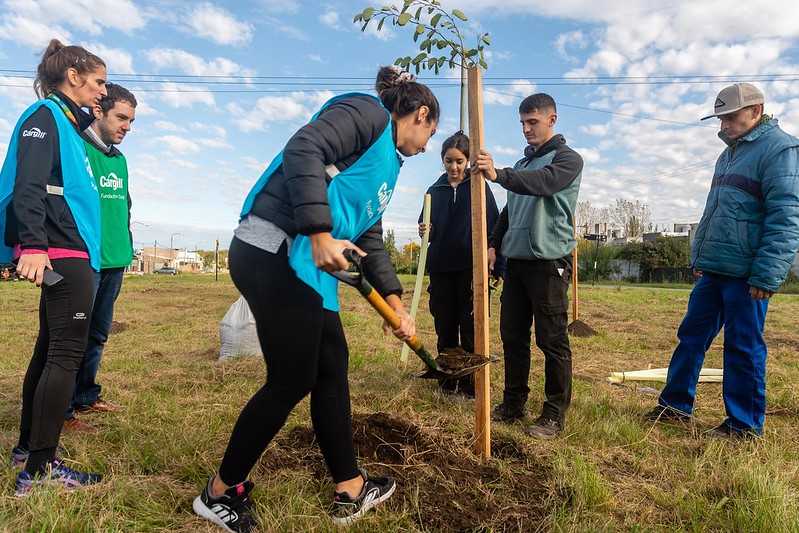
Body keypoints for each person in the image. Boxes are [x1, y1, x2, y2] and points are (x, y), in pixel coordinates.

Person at [192, 66, 439, 532]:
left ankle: (350, 486)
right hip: (278, 250)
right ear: (421, 114)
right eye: (430, 133)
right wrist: (320, 232)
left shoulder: (388, 164)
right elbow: (303, 148)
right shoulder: (368, 114)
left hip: (308, 267)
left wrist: (394, 300)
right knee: (291, 379)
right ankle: (219, 492)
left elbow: (369, 233)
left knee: (330, 368)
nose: (428, 146)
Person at [643, 83, 799, 439]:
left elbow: (786, 218)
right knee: (691, 336)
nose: (723, 124)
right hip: (715, 269)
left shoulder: (780, 150)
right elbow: (715, 210)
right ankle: (674, 406)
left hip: (747, 275)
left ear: (756, 111)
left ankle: (743, 426)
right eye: (720, 117)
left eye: (730, 116)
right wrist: (701, 253)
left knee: (743, 346)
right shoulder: (727, 154)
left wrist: (767, 275)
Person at [0, 39, 107, 493]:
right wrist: (34, 246)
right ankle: (40, 470)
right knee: (65, 355)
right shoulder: (45, 117)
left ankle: (27, 449)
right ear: (74, 76)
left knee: (49, 352)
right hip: (62, 252)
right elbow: (28, 184)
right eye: (99, 81)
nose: (103, 91)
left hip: (70, 249)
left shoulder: (68, 123)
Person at [472, 93, 583, 440]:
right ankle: (514, 402)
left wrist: (499, 174)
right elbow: (510, 211)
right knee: (513, 336)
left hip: (549, 262)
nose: (525, 129)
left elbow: (544, 184)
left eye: (532, 121)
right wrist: (493, 244)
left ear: (552, 119)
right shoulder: (521, 168)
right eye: (522, 122)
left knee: (552, 340)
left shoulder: (568, 160)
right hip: (516, 262)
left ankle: (553, 415)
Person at [63, 82, 136, 433]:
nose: (127, 126)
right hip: (85, 262)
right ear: (98, 111)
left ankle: (86, 396)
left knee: (97, 335)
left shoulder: (119, 159)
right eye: (121, 117)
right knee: (71, 337)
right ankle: (61, 413)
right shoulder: (77, 149)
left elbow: (123, 208)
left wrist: (127, 244)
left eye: (131, 121)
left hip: (115, 261)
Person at [417, 131, 504, 399]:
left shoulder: (479, 188)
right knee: (444, 325)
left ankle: (468, 386)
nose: (453, 167)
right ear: (442, 161)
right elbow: (427, 226)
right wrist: (424, 229)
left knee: (470, 328)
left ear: (467, 161)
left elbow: (495, 227)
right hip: (441, 267)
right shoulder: (435, 190)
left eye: (459, 161)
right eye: (448, 161)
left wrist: (497, 267)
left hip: (471, 269)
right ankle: (446, 382)